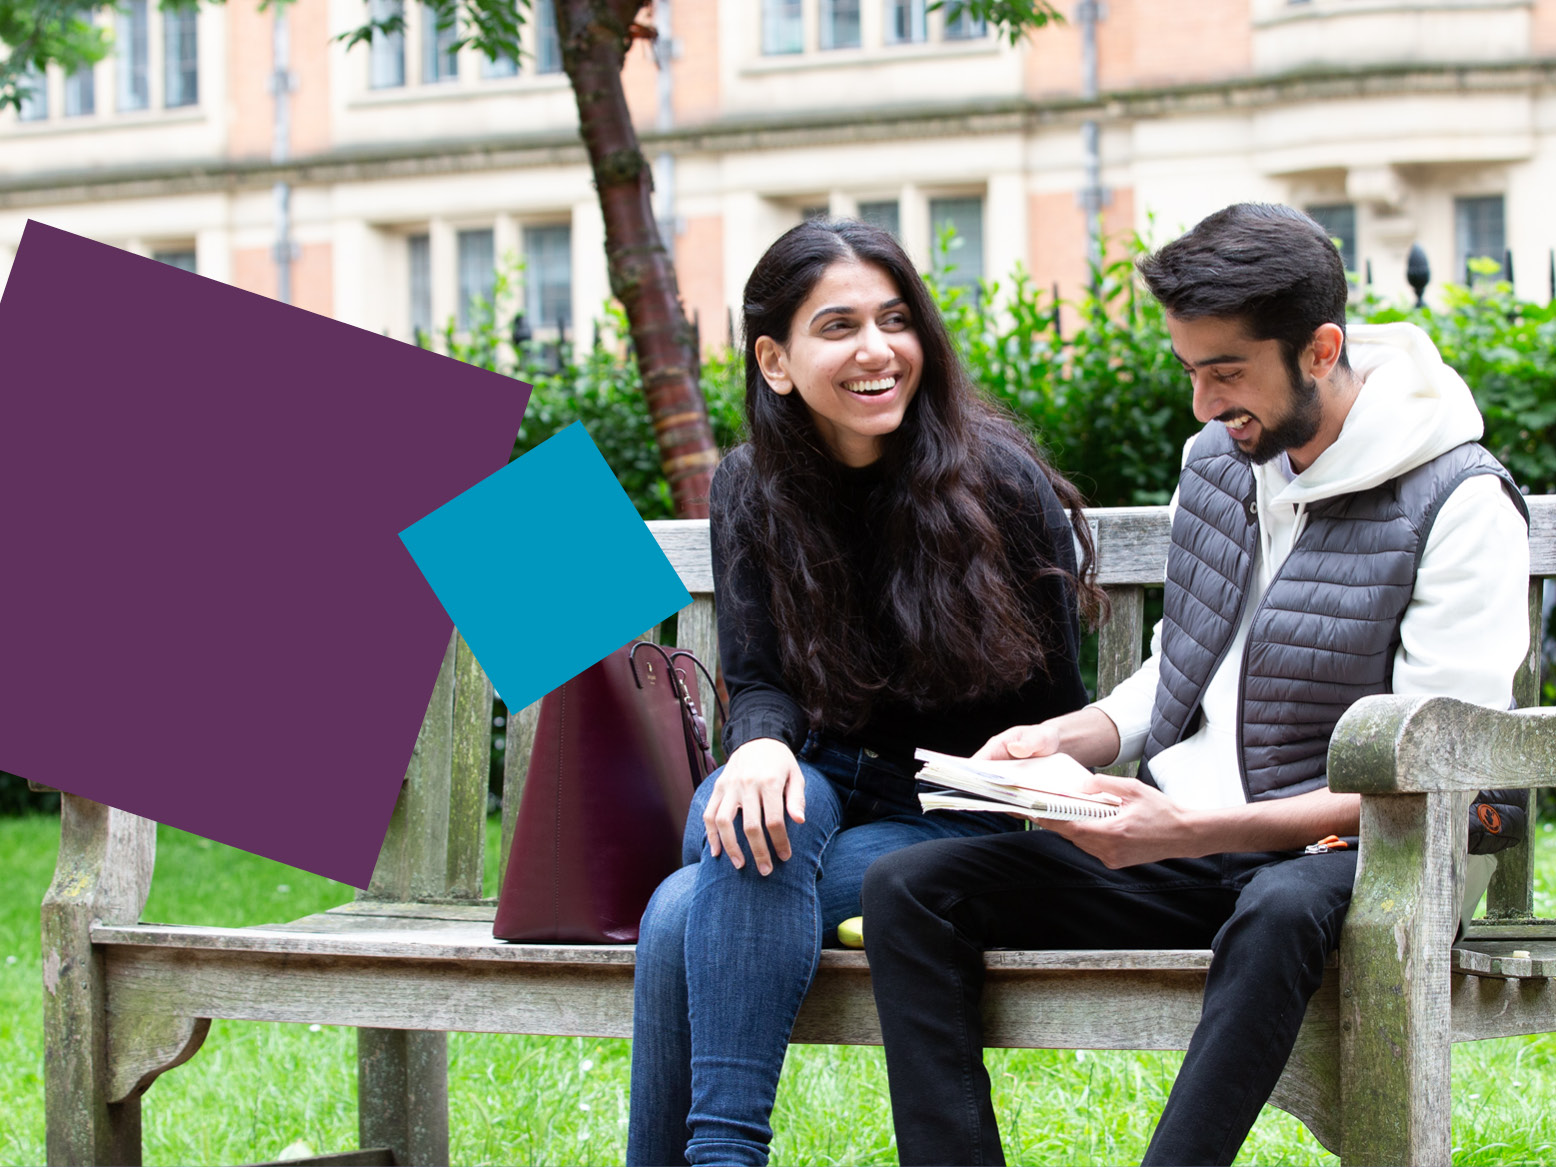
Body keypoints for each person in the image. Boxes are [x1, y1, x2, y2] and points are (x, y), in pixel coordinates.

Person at [861, 202, 1532, 1167]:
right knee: (910, 888)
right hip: (1193, 844)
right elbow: (1187, 657)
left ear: (1319, 349)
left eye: (1226, 372)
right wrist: (1072, 736)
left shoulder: (1459, 501)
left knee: (1278, 907)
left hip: (1378, 856)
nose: (1204, 404)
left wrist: (1188, 830)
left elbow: (1430, 770)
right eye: (1190, 370)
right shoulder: (1221, 465)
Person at [626, 217, 1105, 1167]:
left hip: (947, 812)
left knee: (684, 909)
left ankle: (722, 1154)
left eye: (895, 320)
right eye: (837, 326)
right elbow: (760, 676)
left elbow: (1056, 701)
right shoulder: (750, 486)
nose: (877, 349)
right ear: (775, 359)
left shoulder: (998, 484)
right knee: (762, 820)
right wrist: (757, 744)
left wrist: (1042, 772)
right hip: (810, 785)